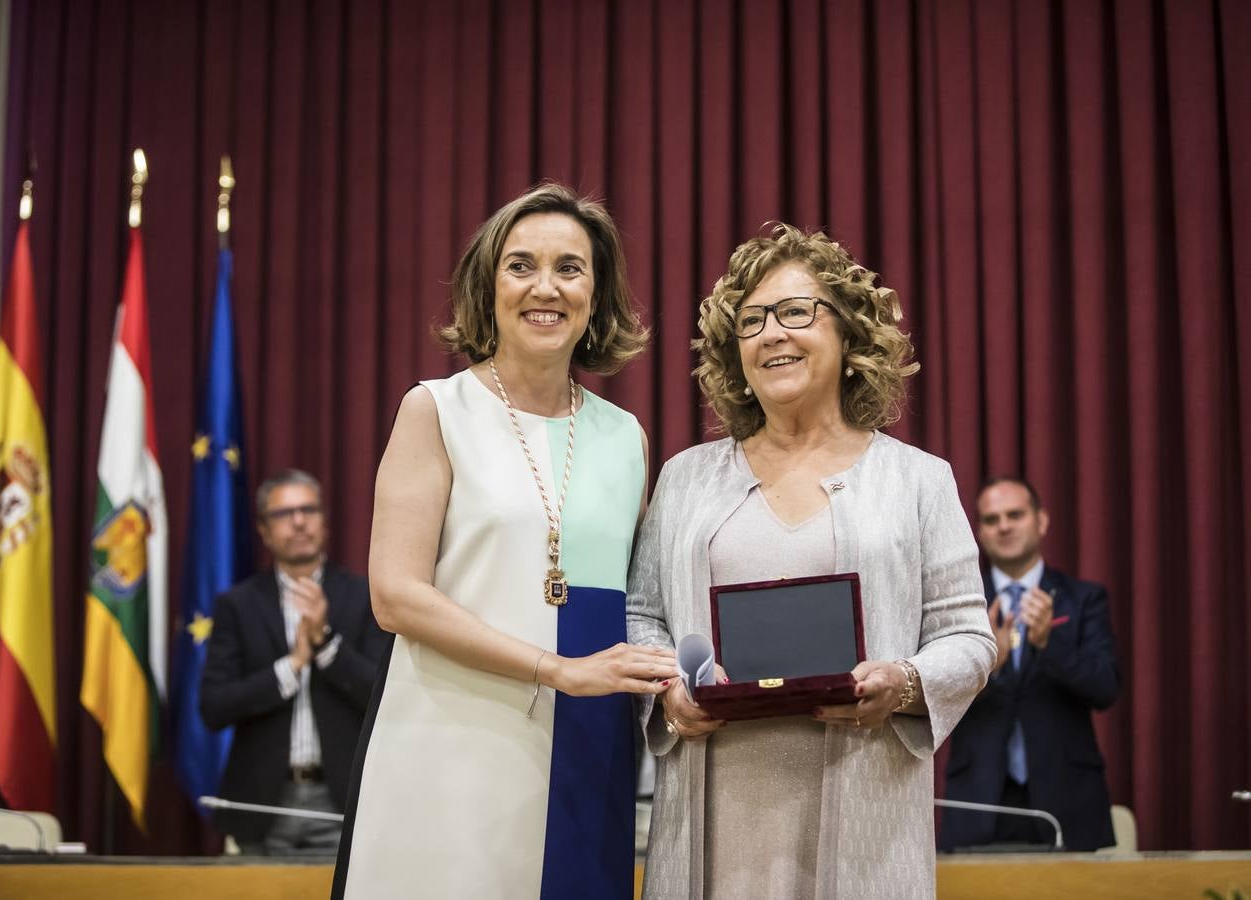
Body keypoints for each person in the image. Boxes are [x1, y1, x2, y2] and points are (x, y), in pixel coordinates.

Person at [627, 224, 997, 900]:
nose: (773, 333)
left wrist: (906, 682)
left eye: (797, 311)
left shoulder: (919, 480)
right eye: (752, 321)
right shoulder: (683, 479)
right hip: (711, 829)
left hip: (865, 822)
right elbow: (643, 617)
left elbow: (970, 637)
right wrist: (671, 693)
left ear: (850, 333)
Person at [331, 183, 679, 899]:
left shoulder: (626, 438)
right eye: (521, 266)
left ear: (597, 291)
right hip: (449, 740)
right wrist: (556, 669)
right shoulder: (435, 409)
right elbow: (395, 597)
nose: (545, 287)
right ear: (487, 288)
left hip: (588, 746)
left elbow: (637, 603)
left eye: (570, 268)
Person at [200, 469, 389, 855]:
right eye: (284, 514)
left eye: (308, 510)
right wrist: (293, 665)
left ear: (324, 521)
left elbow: (383, 696)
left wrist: (325, 645)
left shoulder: (365, 596)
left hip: (343, 798)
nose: (299, 521)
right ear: (264, 530)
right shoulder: (238, 605)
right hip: (263, 800)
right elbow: (214, 707)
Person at [939, 477, 1120, 851]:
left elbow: (1105, 689)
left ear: (1041, 522)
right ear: (980, 533)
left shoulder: (1084, 599)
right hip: (979, 798)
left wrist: (1048, 643)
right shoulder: (960, 605)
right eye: (991, 520)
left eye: (1015, 515)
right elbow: (933, 697)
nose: (1003, 526)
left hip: (1068, 800)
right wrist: (984, 666)